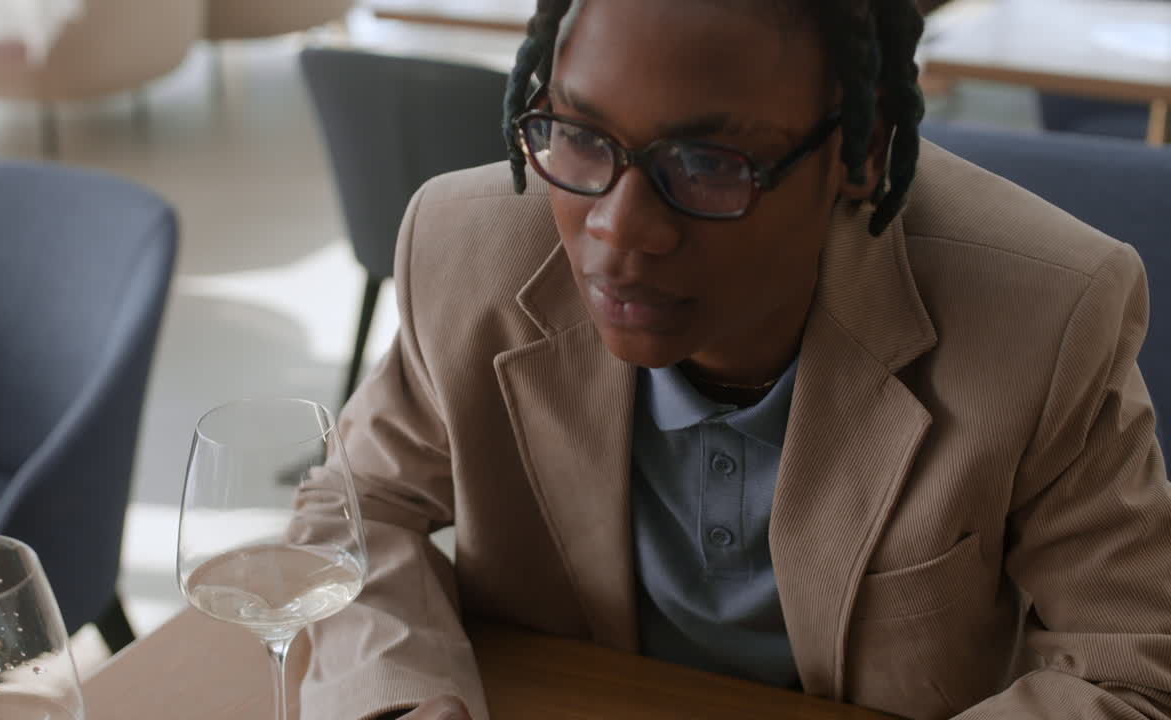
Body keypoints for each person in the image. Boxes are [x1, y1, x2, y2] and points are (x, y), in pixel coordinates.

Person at [290, 1, 1171, 718]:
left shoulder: (1046, 318)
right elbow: (356, 510)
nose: (621, 230)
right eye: (580, 135)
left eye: (707, 163)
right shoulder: (468, 251)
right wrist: (405, 701)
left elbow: (1134, 670)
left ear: (861, 152)